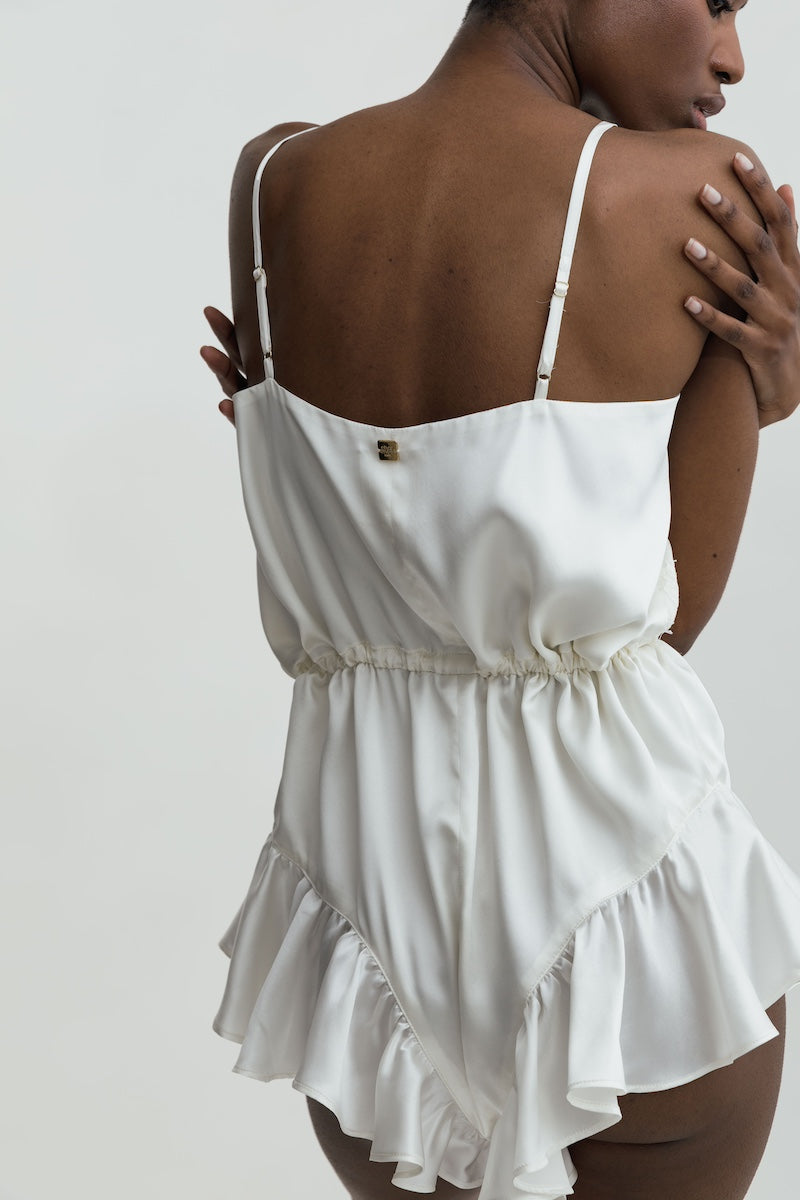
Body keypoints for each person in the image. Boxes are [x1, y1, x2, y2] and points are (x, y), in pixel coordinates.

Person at [205, 3, 800, 1199]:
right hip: (623, 913)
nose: (730, 57)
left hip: (362, 913)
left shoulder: (273, 183)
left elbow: (375, 535)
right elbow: (665, 621)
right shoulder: (693, 195)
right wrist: (755, 393)